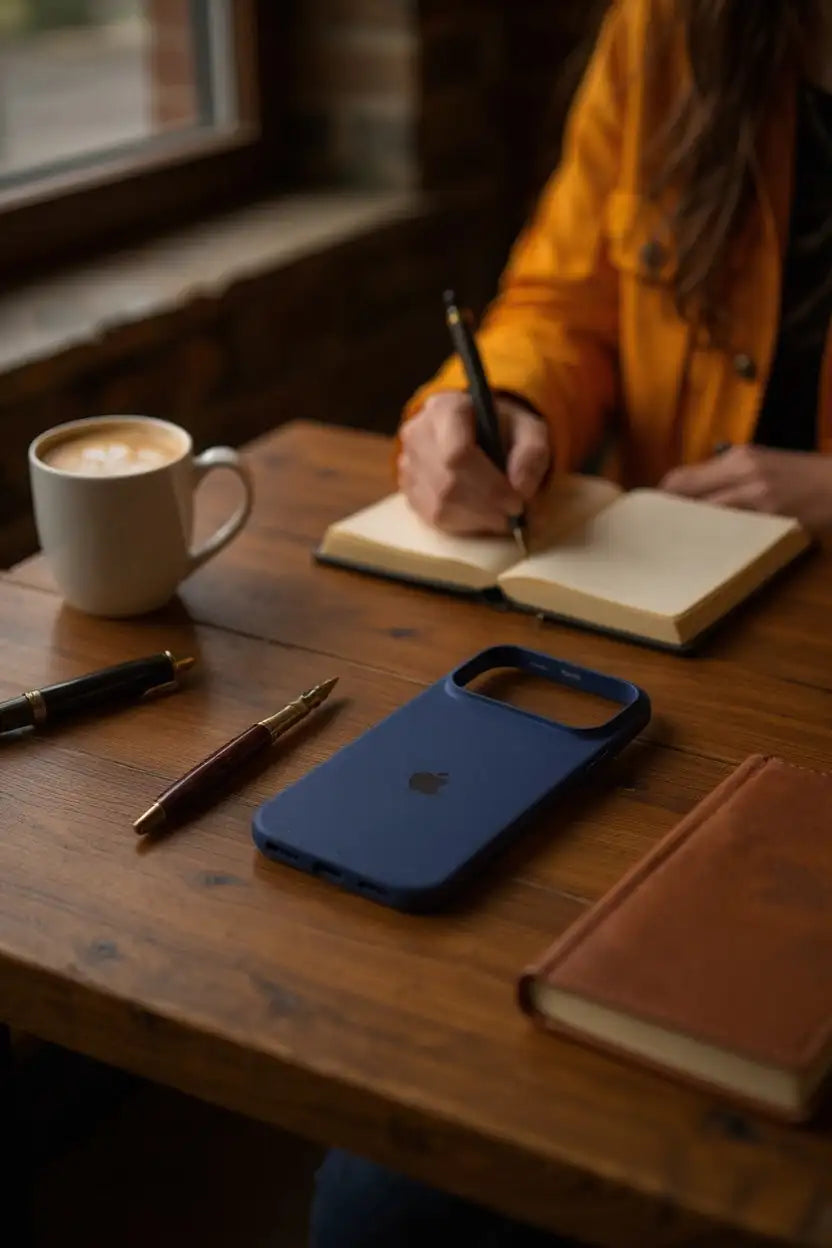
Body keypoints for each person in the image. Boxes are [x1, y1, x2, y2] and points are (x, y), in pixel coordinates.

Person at [311, 0, 832, 1244]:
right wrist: (489, 406)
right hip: (679, 674)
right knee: (384, 1199)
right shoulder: (671, 29)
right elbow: (562, 297)